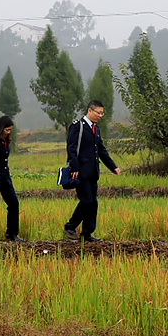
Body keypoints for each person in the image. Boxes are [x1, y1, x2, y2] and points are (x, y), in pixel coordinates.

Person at [63, 100, 120, 242]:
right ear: (90, 110)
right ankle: (70, 226)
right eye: (98, 112)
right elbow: (71, 147)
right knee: (87, 201)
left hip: (93, 172)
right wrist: (74, 167)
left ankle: (87, 233)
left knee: (93, 203)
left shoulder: (96, 129)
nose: (100, 115)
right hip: (80, 171)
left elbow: (101, 150)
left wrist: (112, 166)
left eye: (102, 113)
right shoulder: (78, 126)